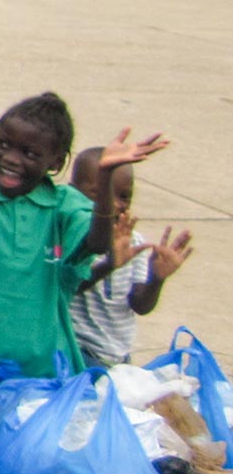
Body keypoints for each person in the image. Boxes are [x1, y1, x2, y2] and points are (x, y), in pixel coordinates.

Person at [0, 95, 170, 442]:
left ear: (56, 162)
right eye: (4, 144)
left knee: (38, 452)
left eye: (30, 154)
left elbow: (96, 243)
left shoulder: (63, 206)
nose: (11, 159)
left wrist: (106, 175)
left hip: (46, 369)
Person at [67, 147, 193, 367]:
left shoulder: (134, 242)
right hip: (76, 352)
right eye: (101, 194)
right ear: (72, 192)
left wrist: (156, 278)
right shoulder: (73, 236)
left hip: (118, 357)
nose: (115, 204)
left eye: (124, 196)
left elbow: (140, 305)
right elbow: (67, 287)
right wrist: (108, 265)